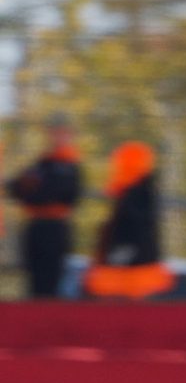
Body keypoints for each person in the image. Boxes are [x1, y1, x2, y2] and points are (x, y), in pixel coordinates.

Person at [83, 141, 175, 299]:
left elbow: (131, 225)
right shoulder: (139, 191)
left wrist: (115, 251)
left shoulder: (137, 193)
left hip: (130, 263)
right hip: (135, 262)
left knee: (125, 301)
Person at [4, 116, 84, 299]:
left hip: (56, 228)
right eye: (54, 132)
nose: (58, 137)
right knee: (35, 283)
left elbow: (63, 194)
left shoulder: (70, 166)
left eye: (63, 133)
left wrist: (34, 191)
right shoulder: (43, 163)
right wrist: (33, 190)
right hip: (36, 226)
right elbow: (17, 188)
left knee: (54, 284)